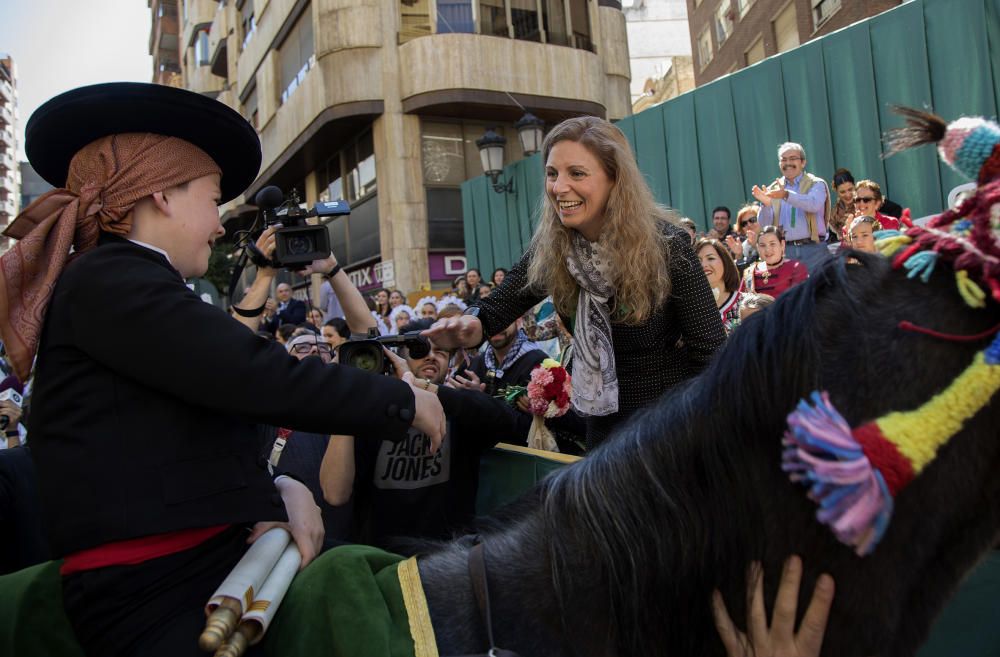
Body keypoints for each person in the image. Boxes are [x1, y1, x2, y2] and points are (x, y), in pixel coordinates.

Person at [0, 82, 446, 657]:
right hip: (155, 595)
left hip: (195, 573)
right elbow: (252, 375)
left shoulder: (126, 282)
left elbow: (201, 424)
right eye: (212, 200)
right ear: (160, 193)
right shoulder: (110, 279)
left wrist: (278, 489)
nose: (218, 225)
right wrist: (405, 402)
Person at [425, 116, 726, 447]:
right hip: (602, 433)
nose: (558, 187)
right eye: (552, 174)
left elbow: (711, 353)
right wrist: (473, 324)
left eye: (577, 173)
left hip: (667, 430)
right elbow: (500, 304)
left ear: (615, 179)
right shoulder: (555, 248)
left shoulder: (667, 246)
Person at [321, 318, 528, 551]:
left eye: (440, 351)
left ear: (450, 363)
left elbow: (511, 424)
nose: (430, 356)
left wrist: (424, 389)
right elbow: (335, 494)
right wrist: (348, 402)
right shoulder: (372, 412)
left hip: (447, 557)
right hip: (383, 558)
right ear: (397, 360)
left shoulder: (461, 408)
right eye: (419, 350)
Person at [752, 142, 831, 274]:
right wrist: (766, 205)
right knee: (789, 294)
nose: (788, 163)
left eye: (793, 158)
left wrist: (786, 195)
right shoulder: (773, 188)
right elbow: (765, 225)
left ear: (803, 162)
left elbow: (813, 204)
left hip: (814, 250)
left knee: (818, 292)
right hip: (784, 252)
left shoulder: (816, 183)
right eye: (784, 159)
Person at [741, 226, 809, 298]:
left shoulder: (796, 268)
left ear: (782, 244)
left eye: (772, 244)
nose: (768, 250)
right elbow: (741, 303)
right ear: (758, 248)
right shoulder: (750, 272)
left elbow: (799, 302)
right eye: (762, 245)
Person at [696, 238, 743, 335]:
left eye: (711, 258)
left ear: (725, 262)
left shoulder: (745, 303)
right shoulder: (691, 308)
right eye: (698, 260)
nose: (703, 265)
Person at [828, 168, 855, 241]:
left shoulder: (865, 203)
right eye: (842, 192)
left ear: (854, 186)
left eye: (850, 189)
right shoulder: (833, 216)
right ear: (836, 191)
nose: (848, 195)